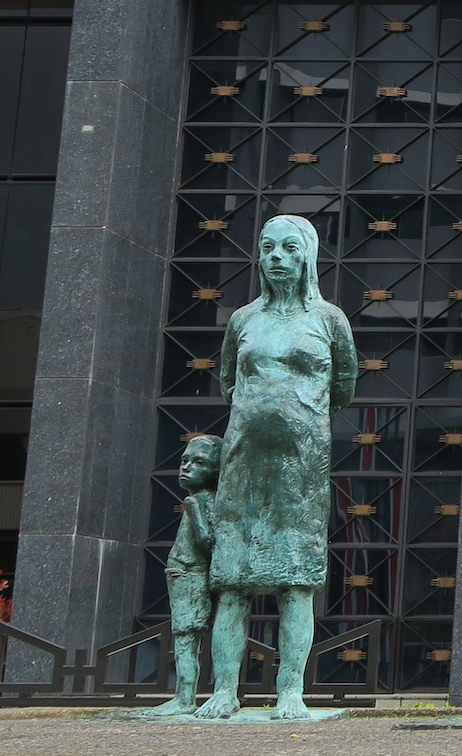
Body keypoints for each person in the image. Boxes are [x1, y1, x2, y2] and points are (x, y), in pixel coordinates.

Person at [201, 213, 359, 721]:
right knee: (233, 580)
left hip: (301, 467)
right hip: (243, 463)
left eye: (289, 248)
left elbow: (344, 386)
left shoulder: (330, 319)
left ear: (308, 255)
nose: (276, 257)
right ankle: (224, 690)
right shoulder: (243, 319)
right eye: (268, 247)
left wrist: (297, 418)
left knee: (297, 580)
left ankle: (290, 691)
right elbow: (229, 381)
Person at [144, 434, 222, 717]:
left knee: (186, 638)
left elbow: (207, 539)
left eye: (198, 462)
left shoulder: (198, 501)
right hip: (185, 571)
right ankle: (186, 695)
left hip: (189, 572)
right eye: (184, 460)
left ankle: (185, 697)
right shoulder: (204, 500)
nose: (186, 467)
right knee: (187, 637)